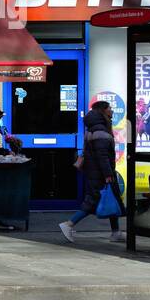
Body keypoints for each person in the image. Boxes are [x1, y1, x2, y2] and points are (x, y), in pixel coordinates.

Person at [60, 101, 123, 244]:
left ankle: (116, 232)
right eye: (110, 109)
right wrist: (108, 174)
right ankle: (68, 224)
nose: (112, 111)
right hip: (100, 173)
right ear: (103, 111)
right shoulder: (101, 129)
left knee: (111, 198)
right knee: (93, 201)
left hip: (95, 170)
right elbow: (102, 155)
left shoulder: (94, 128)